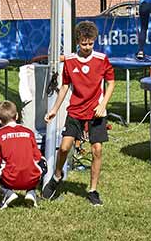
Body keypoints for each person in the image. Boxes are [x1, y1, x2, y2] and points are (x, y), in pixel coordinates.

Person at [42, 20, 114, 206]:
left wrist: (103, 104)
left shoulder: (101, 59)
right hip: (75, 111)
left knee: (97, 149)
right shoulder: (70, 61)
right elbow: (65, 86)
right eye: (84, 43)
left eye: (90, 43)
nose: (88, 47)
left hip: (96, 112)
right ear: (78, 41)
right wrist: (54, 110)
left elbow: (111, 82)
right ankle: (57, 176)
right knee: (65, 147)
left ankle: (92, 190)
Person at [0, 99, 45, 207]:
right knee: (43, 162)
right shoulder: (28, 131)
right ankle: (31, 191)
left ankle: (7, 193)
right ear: (17, 116)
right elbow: (37, 157)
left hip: (10, 179)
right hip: (32, 177)